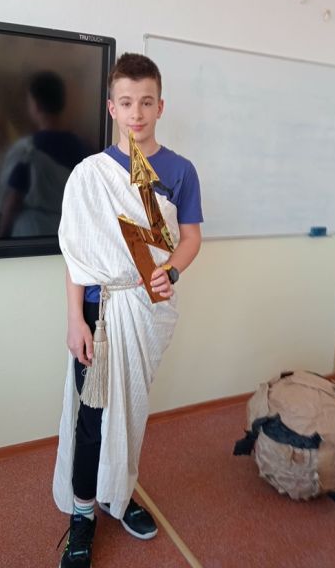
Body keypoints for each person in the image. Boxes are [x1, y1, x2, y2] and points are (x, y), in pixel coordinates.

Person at [53, 53, 203, 567]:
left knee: (132, 412)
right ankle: (82, 516)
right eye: (126, 102)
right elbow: (77, 257)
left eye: (146, 102)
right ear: (111, 108)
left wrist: (173, 270)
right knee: (92, 418)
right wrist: (74, 320)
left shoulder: (180, 171)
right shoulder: (90, 175)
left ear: (160, 106)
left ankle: (117, 493)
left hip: (146, 312)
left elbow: (190, 238)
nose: (136, 113)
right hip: (98, 315)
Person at [0, 71, 87, 237]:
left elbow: (13, 200)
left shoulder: (28, 149)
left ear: (35, 105)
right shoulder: (80, 148)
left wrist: (0, 238)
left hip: (31, 234)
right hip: (68, 234)